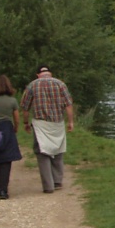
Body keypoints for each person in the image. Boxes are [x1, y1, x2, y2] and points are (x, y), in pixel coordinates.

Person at [20, 64, 74, 194]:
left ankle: (48, 185)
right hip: (57, 122)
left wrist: (25, 122)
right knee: (58, 150)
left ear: (38, 75)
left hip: (40, 124)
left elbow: (25, 107)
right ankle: (57, 181)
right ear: (50, 73)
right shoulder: (60, 84)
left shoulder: (32, 85)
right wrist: (70, 121)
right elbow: (68, 104)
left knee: (42, 152)